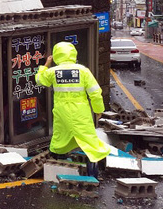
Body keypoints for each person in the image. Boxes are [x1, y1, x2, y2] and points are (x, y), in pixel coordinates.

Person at [35, 41, 110, 177]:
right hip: (81, 111)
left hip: (61, 110)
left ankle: (58, 166)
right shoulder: (83, 70)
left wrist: (45, 65)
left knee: (60, 137)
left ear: (57, 55)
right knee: (88, 139)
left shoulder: (53, 72)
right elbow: (95, 92)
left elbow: (40, 80)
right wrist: (98, 110)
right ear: (73, 54)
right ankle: (93, 172)